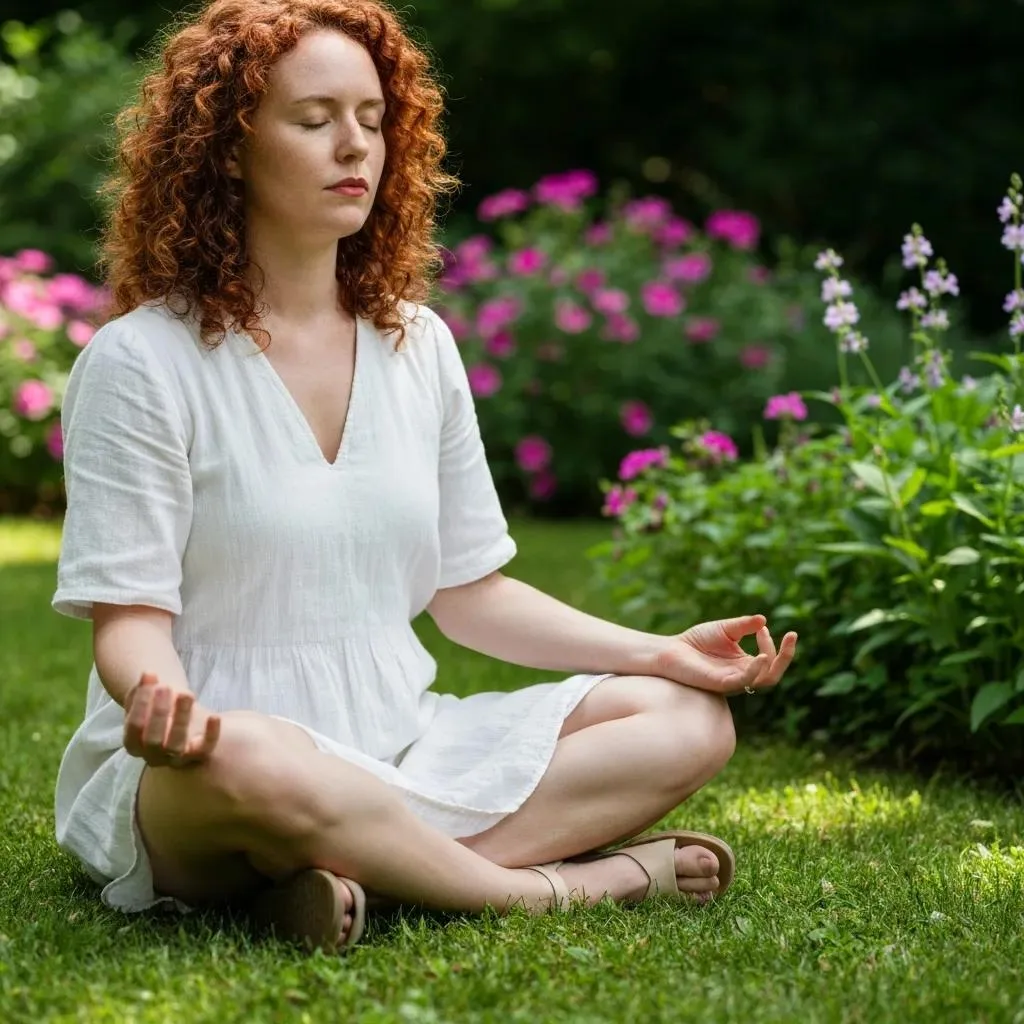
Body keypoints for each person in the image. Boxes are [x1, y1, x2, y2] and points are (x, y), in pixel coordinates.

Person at [52, 0, 798, 953]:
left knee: (686, 722)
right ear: (227, 148)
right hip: (215, 763)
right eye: (314, 120)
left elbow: (470, 593)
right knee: (255, 758)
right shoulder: (140, 362)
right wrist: (165, 708)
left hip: (404, 740)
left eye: (371, 119)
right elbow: (131, 626)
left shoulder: (420, 344)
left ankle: (339, 874)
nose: (352, 146)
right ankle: (561, 889)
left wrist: (658, 652)